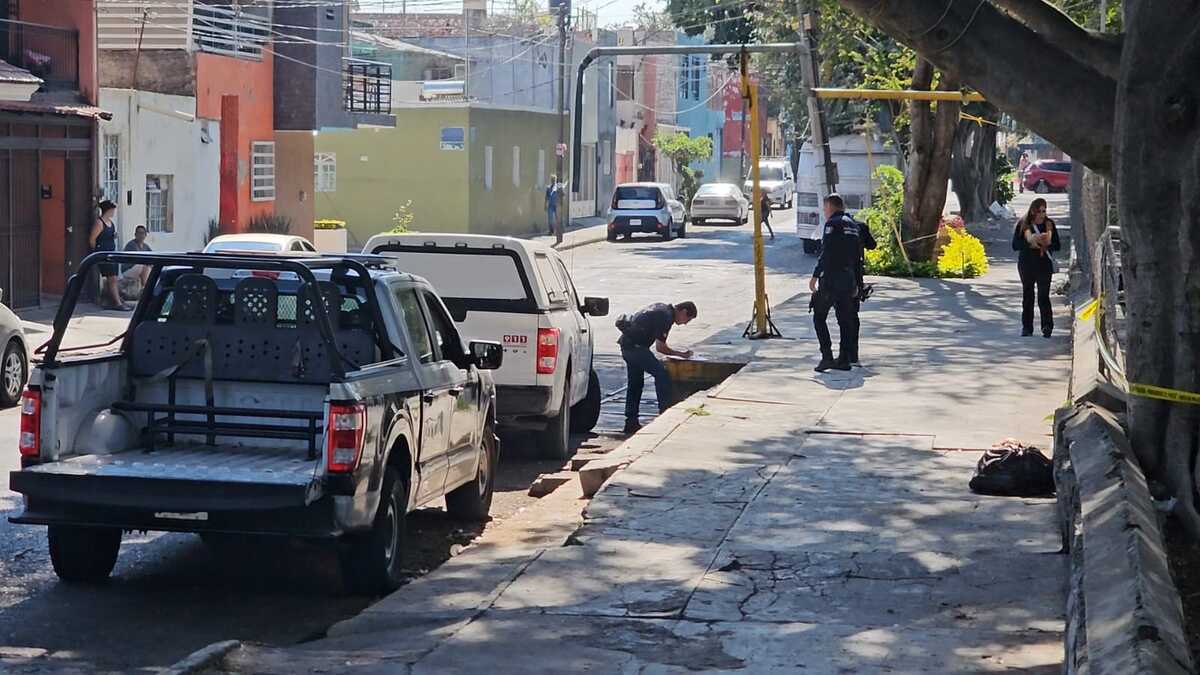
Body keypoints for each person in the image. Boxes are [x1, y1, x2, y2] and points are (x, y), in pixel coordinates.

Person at [617, 301, 697, 435]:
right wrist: (681, 354)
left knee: (635, 383)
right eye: (687, 320)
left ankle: (631, 422)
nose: (684, 323)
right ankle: (665, 414)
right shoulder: (666, 317)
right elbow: (661, 348)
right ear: (683, 312)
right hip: (636, 348)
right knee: (662, 374)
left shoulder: (661, 308)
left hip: (627, 345)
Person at [808, 194, 863, 372]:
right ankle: (844, 359)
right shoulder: (853, 225)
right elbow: (857, 257)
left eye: (825, 208)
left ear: (830, 206)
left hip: (832, 278)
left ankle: (827, 357)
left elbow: (827, 252)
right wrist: (856, 283)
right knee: (845, 320)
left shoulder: (833, 224)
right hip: (848, 279)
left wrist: (816, 275)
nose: (824, 212)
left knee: (819, 317)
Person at [1012, 197, 1060, 337]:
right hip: (1026, 265)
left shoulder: (1049, 225)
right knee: (1028, 295)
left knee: (1043, 296)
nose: (1041, 214)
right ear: (1032, 211)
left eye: (1044, 211)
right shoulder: (1023, 224)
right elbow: (1015, 245)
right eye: (1039, 211)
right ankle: (1027, 327)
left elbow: (1057, 245)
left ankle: (1047, 326)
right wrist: (1031, 243)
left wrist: (1047, 242)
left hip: (1044, 265)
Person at [847, 213, 878, 366]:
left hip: (838, 277)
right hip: (856, 277)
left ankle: (843, 354)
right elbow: (872, 245)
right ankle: (853, 355)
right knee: (853, 316)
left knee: (842, 318)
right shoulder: (860, 226)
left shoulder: (833, 225)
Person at [89, 200, 128, 310]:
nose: (113, 212)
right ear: (108, 210)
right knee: (111, 278)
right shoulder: (99, 223)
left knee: (114, 278)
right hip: (104, 253)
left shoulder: (111, 223)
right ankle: (117, 303)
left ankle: (117, 300)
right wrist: (97, 252)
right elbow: (92, 239)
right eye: (112, 210)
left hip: (112, 252)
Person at [119, 225, 153, 300]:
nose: (141, 235)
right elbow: (138, 259)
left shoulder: (146, 246)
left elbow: (152, 257)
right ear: (135, 234)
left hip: (139, 270)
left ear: (145, 235)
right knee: (143, 265)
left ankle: (145, 288)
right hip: (128, 270)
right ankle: (146, 288)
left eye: (143, 233)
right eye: (139, 233)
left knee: (147, 266)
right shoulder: (131, 245)